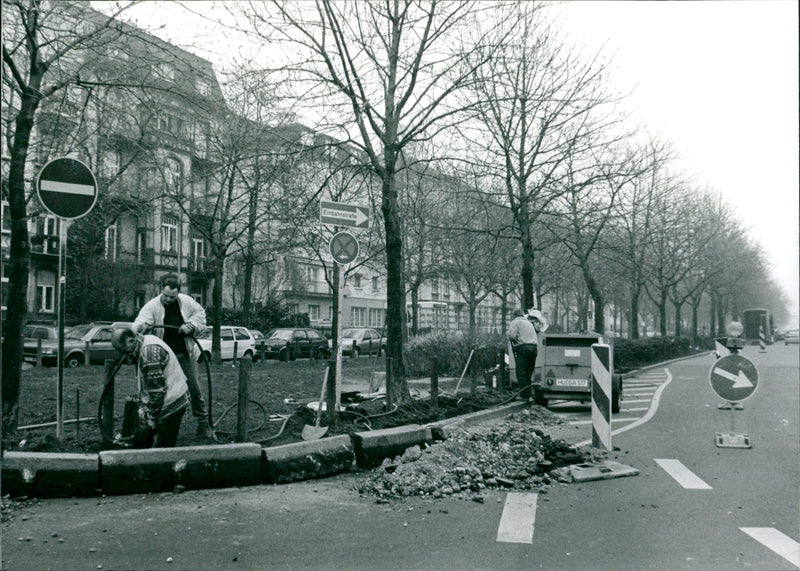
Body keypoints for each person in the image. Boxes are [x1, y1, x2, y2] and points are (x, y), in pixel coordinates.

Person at [132, 274, 215, 439]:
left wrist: (190, 326)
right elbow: (137, 325)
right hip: (162, 358)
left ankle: (203, 423)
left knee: (194, 388)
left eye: (172, 296)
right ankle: (155, 423)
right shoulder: (152, 306)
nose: (169, 299)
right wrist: (142, 327)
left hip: (184, 353)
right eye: (166, 296)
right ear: (161, 290)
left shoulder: (186, 301)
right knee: (156, 389)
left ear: (178, 292)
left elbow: (200, 315)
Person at [112, 327, 189, 448]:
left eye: (126, 351)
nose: (127, 356)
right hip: (166, 401)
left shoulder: (149, 354)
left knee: (161, 450)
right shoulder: (146, 340)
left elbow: (157, 391)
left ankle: (163, 464)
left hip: (172, 403)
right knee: (151, 442)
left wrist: (152, 418)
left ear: (131, 341)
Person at [506, 308, 539, 402]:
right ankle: (528, 393)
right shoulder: (529, 323)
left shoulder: (515, 322)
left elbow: (512, 336)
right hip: (534, 349)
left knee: (521, 372)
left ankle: (523, 395)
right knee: (529, 372)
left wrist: (509, 335)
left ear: (514, 315)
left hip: (523, 348)